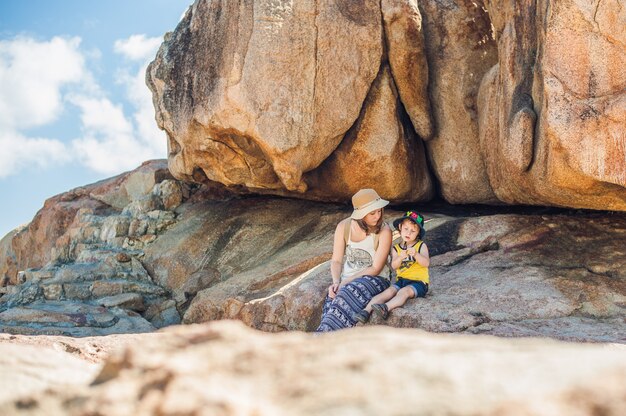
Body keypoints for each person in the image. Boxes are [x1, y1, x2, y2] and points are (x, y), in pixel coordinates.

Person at [316, 189, 393, 332]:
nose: (378, 216)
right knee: (332, 299)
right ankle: (323, 341)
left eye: (379, 211)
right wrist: (336, 282)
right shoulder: (343, 227)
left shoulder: (384, 231)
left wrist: (346, 282)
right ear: (361, 215)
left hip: (376, 279)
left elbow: (376, 268)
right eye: (372, 213)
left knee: (347, 293)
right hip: (347, 280)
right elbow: (336, 261)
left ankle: (321, 339)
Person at [354, 210, 429, 323]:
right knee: (388, 292)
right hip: (402, 280)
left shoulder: (420, 246)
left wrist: (416, 254)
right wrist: (400, 258)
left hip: (418, 282)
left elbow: (426, 263)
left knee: (404, 292)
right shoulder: (396, 249)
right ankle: (366, 311)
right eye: (406, 229)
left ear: (418, 233)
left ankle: (386, 308)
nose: (408, 233)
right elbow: (394, 266)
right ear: (400, 227)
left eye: (413, 231)